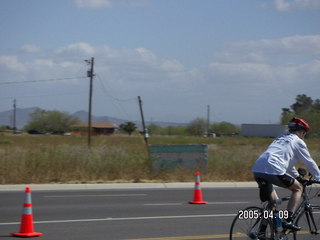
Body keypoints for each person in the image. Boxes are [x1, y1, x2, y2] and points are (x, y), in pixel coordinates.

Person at [252, 117, 320, 231]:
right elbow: (308, 162)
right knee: (298, 189)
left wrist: (297, 176)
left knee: (274, 203)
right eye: (304, 133)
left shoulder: (281, 137)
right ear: (302, 132)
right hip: (272, 169)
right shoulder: (298, 141)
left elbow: (287, 163)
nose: (304, 136)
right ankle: (288, 220)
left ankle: (261, 232)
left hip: (257, 169)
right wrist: (318, 177)